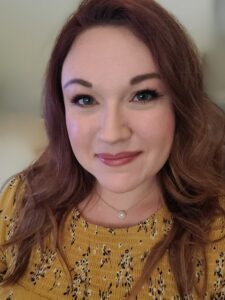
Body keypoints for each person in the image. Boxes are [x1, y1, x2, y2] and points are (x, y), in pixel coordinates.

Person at [0, 0, 225, 299]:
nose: (112, 133)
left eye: (143, 95)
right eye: (84, 99)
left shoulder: (217, 234)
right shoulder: (22, 198)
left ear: (179, 105)